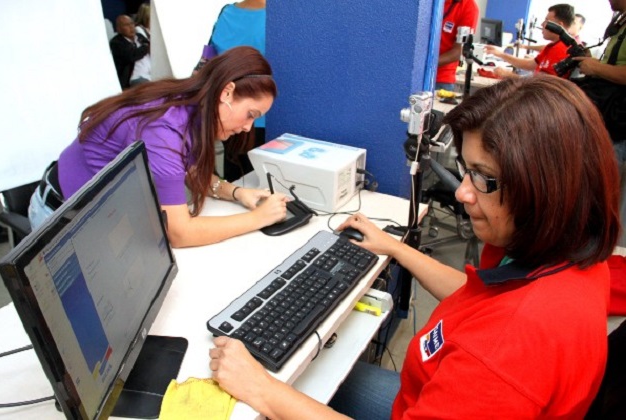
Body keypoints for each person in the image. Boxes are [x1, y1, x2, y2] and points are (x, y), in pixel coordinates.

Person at [208, 76, 620, 418]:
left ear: (546, 190)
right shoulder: (570, 254)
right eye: (466, 171)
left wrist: (261, 389)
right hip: (425, 388)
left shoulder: (503, 355)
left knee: (282, 386)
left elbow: (499, 334)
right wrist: (394, 247)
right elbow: (476, 298)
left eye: (483, 177)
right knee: (318, 372)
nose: (462, 194)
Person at [28, 46, 288, 248]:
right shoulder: (164, 130)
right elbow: (179, 233)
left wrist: (237, 193)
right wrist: (258, 219)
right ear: (227, 92)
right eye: (251, 114)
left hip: (104, 213)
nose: (247, 127)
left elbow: (191, 171)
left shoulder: (192, 107)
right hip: (62, 215)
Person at [206, 0, 267, 181]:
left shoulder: (284, 16)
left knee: (257, 182)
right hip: (230, 116)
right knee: (240, 180)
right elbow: (208, 59)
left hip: (260, 117)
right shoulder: (226, 12)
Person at [573, 0, 626, 158]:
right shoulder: (621, 22)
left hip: (618, 118)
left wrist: (596, 68)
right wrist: (593, 63)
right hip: (608, 114)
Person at [485, 4, 575, 78]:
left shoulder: (562, 49)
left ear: (559, 26)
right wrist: (500, 54)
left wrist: (508, 75)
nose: (542, 24)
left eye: (547, 21)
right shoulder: (553, 46)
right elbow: (530, 65)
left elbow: (542, 87)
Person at [435, 0, 479, 91]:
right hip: (412, 72)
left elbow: (458, 52)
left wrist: (424, 64)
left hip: (440, 79)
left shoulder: (468, 7)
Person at [110, 15, 150, 90]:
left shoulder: (139, 36)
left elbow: (151, 46)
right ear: (119, 29)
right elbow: (132, 55)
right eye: (126, 25)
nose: (131, 27)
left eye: (132, 23)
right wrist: (146, 47)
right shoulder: (116, 42)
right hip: (135, 78)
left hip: (151, 72)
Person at [130, 3, 152, 87]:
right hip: (140, 73)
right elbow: (150, 48)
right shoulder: (138, 30)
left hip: (150, 73)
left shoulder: (151, 31)